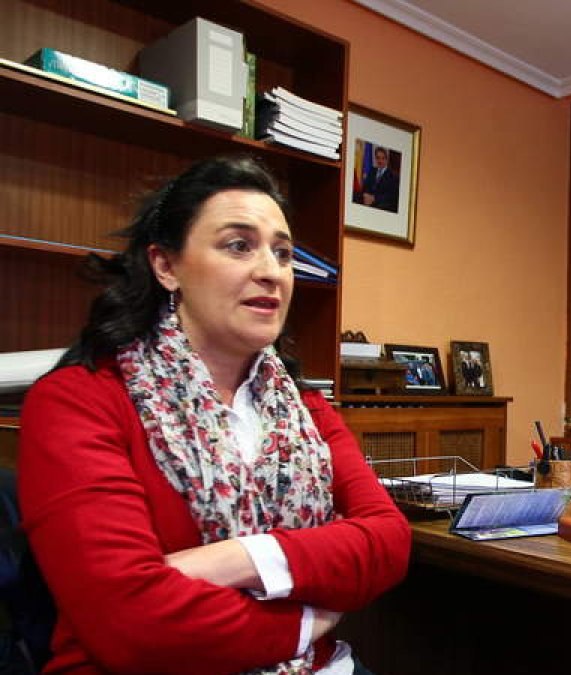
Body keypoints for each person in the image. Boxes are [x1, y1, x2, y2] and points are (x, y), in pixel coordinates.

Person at [18, 155, 411, 673]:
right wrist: (302, 623)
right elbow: (131, 624)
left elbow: (388, 542)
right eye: (238, 245)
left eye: (283, 253)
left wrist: (233, 559)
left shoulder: (309, 410)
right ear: (166, 265)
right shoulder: (79, 402)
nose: (270, 271)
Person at [358, 146, 399, 212]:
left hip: (381, 205)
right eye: (378, 158)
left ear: (386, 159)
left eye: (383, 158)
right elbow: (365, 187)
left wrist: (374, 198)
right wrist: (365, 195)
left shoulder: (393, 176)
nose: (380, 161)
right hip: (367, 202)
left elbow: (391, 196)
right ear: (375, 159)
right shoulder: (372, 170)